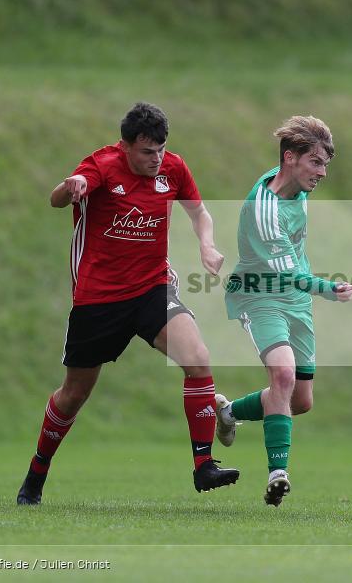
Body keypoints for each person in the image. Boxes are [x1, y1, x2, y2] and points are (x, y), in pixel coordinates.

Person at [16, 102, 239, 505]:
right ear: (126, 146)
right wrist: (70, 187)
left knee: (198, 358)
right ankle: (37, 472)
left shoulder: (174, 168)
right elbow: (56, 199)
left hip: (152, 289)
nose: (157, 159)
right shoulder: (101, 165)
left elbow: (200, 213)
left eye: (161, 150)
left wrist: (207, 245)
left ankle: (204, 465)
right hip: (99, 298)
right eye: (147, 152)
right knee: (73, 395)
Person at [215, 115, 352, 506]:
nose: (323, 172)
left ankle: (228, 414)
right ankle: (278, 474)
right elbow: (290, 274)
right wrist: (329, 289)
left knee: (299, 401)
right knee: (283, 374)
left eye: (325, 163)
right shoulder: (264, 210)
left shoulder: (295, 185)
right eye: (316, 162)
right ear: (290, 158)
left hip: (295, 301)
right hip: (260, 297)